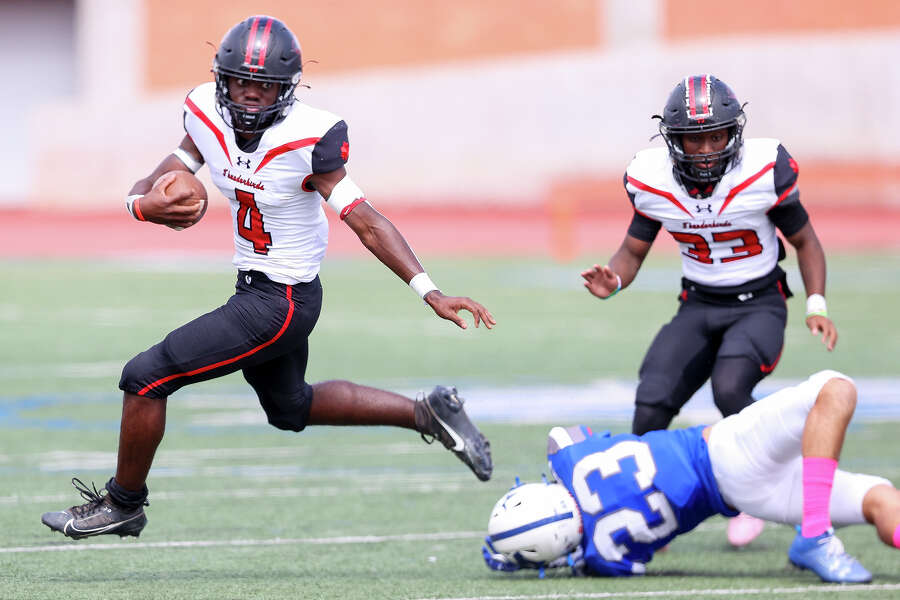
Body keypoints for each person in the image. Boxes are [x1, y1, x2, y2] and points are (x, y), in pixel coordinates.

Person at [41, 15, 496, 541]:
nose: (251, 96)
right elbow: (173, 164)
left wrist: (429, 290)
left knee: (146, 376)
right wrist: (141, 205)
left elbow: (366, 221)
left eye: (265, 86)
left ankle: (124, 504)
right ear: (222, 79)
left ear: (287, 89)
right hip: (254, 288)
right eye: (241, 82)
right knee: (290, 407)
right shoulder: (204, 112)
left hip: (281, 303)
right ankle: (428, 413)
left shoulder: (312, 136)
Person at [580, 74, 838, 547]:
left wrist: (816, 304)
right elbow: (632, 253)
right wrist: (613, 280)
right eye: (693, 138)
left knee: (731, 389)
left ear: (733, 133)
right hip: (697, 303)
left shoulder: (762, 172)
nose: (704, 149)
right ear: (672, 140)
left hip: (759, 303)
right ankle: (636, 511)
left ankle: (771, 491)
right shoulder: (653, 182)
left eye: (715, 135)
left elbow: (805, 241)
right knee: (651, 401)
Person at [483, 371, 900, 583]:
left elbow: (615, 560)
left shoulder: (604, 558)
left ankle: (813, 534)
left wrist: (568, 554)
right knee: (836, 388)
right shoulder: (570, 458)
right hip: (730, 451)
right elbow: (561, 437)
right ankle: (815, 534)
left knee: (880, 499)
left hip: (747, 496)